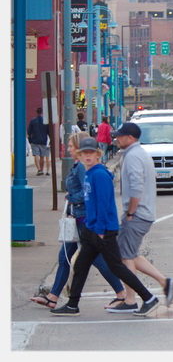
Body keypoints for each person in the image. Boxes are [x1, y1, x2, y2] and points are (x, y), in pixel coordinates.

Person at [50, 137, 160, 317]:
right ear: (80, 154)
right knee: (81, 266)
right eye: (84, 153)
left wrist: (99, 231)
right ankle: (72, 304)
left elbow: (103, 205)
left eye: (91, 153)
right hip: (91, 228)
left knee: (117, 267)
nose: (87, 156)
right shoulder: (90, 173)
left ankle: (148, 298)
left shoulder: (99, 175)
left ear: (98, 154)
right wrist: (90, 228)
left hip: (102, 230)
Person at [30, 132, 126, 310]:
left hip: (83, 218)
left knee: (95, 259)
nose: (68, 149)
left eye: (71, 146)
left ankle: (121, 292)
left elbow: (88, 192)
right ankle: (53, 296)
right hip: (77, 218)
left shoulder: (84, 167)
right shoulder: (79, 165)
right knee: (65, 256)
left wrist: (72, 197)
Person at [106, 122, 173, 313]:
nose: (116, 139)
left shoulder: (133, 157)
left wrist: (130, 213)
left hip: (137, 214)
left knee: (124, 257)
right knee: (128, 254)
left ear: (130, 138)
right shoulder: (139, 154)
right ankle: (164, 282)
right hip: (143, 213)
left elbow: (136, 187)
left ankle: (130, 299)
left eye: (120, 136)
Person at [27, 107, 50, 176]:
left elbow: (29, 131)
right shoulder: (45, 121)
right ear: (42, 112)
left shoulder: (33, 121)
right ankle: (42, 169)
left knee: (36, 155)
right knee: (42, 156)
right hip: (43, 140)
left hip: (35, 140)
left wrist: (30, 140)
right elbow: (49, 132)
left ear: (36, 112)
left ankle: (39, 169)